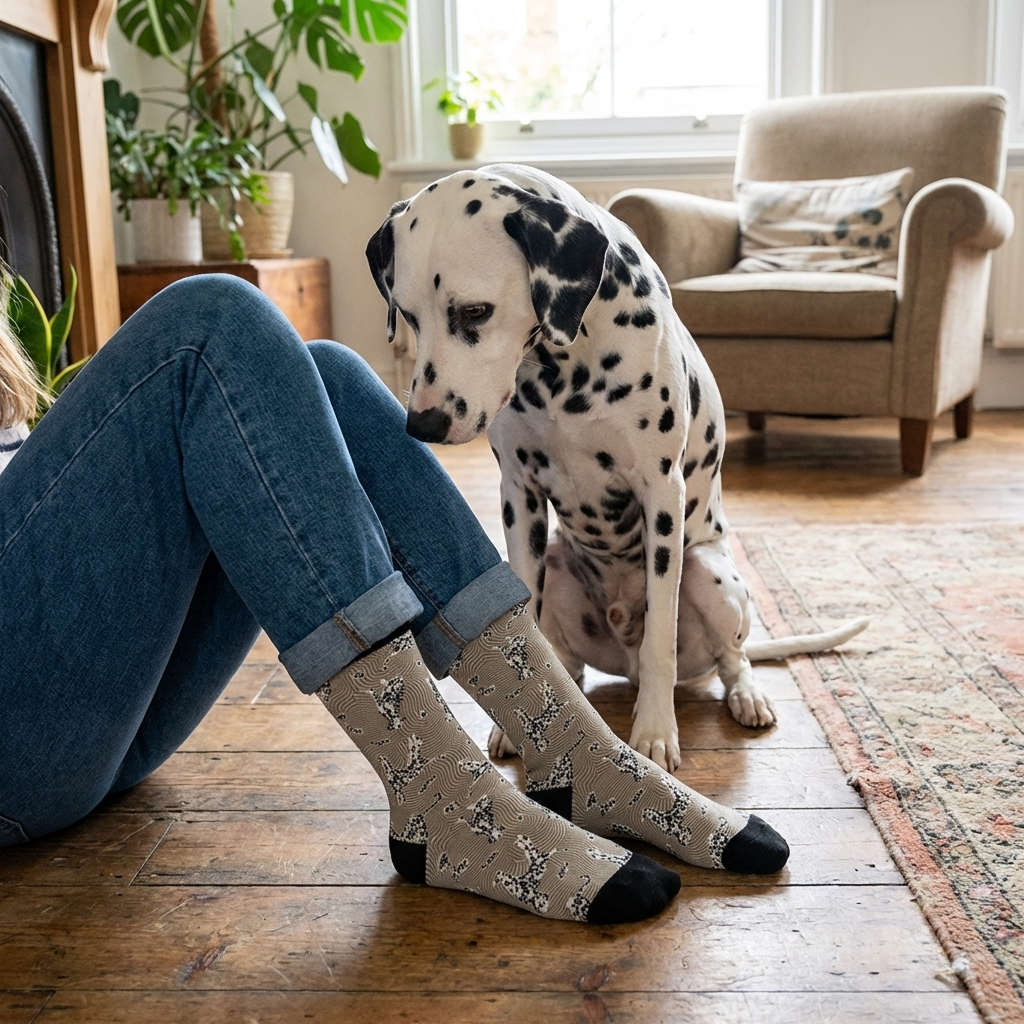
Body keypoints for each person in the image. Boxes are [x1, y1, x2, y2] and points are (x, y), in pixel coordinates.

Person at [0, 273, 788, 924]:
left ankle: (573, 750)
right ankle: (440, 793)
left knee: (331, 373)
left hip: (92, 736)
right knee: (211, 322)